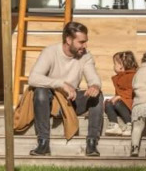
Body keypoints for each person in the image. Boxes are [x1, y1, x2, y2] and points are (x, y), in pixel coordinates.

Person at [27, 21, 103, 157]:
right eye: (81, 42)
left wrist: (95, 86)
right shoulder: (50, 52)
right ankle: (43, 143)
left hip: (71, 101)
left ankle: (92, 143)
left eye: (86, 41)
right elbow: (33, 78)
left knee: (98, 95)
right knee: (40, 91)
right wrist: (61, 84)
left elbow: (93, 78)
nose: (85, 45)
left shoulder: (85, 55)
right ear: (68, 40)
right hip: (51, 103)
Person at [105, 51, 138, 136]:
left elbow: (131, 91)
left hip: (129, 103)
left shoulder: (132, 76)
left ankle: (129, 123)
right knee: (108, 103)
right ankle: (114, 124)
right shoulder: (119, 77)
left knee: (118, 104)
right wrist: (115, 97)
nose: (113, 66)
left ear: (121, 66)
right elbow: (120, 92)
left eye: (115, 64)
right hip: (121, 101)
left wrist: (120, 97)